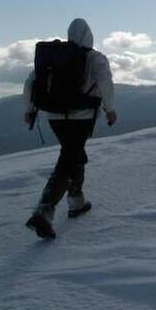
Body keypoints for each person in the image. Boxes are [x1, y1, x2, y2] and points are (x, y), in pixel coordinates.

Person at [23, 18, 117, 239]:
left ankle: (77, 200)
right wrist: (110, 109)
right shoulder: (95, 58)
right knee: (69, 158)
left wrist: (28, 110)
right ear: (89, 36)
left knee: (74, 154)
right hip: (82, 117)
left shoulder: (54, 57)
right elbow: (105, 82)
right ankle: (44, 210)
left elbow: (30, 82)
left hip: (53, 116)